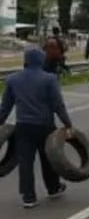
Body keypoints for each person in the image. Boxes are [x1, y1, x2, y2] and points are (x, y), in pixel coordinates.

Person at [0, 47, 71, 208]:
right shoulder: (49, 79)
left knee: (25, 162)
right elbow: (58, 105)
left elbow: (5, 107)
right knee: (49, 158)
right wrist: (68, 124)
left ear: (25, 61)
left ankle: (28, 197)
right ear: (41, 60)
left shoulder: (12, 79)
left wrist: (0, 123)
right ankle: (53, 188)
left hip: (23, 126)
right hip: (45, 125)